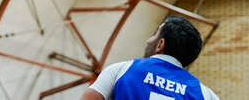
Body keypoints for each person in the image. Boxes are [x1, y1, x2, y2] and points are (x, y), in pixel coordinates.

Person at [80, 16, 220, 100]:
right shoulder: (205, 94)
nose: (148, 41)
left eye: (154, 34)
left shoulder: (121, 69)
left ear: (160, 44)